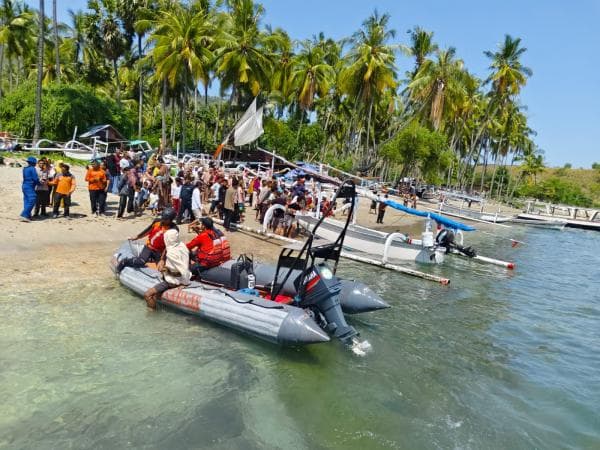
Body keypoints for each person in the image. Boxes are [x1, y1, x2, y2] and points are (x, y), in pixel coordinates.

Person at [116, 207, 178, 272]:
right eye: (163, 217)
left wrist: (162, 259)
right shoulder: (157, 221)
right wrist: (136, 237)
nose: (163, 220)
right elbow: (147, 231)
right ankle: (125, 261)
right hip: (149, 247)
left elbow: (169, 246)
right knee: (140, 262)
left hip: (160, 252)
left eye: (165, 219)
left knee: (161, 269)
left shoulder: (174, 229)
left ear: (171, 220)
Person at [142, 229, 191, 309]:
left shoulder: (172, 252)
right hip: (182, 277)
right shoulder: (182, 245)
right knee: (156, 296)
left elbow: (182, 271)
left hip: (173, 281)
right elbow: (185, 265)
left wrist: (184, 283)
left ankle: (152, 315)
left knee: (148, 295)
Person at [20, 156, 39, 222]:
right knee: (32, 199)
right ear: (34, 163)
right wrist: (39, 183)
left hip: (24, 185)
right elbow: (35, 178)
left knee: (26, 200)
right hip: (29, 186)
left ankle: (28, 215)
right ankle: (24, 215)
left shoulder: (25, 168)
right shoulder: (32, 169)